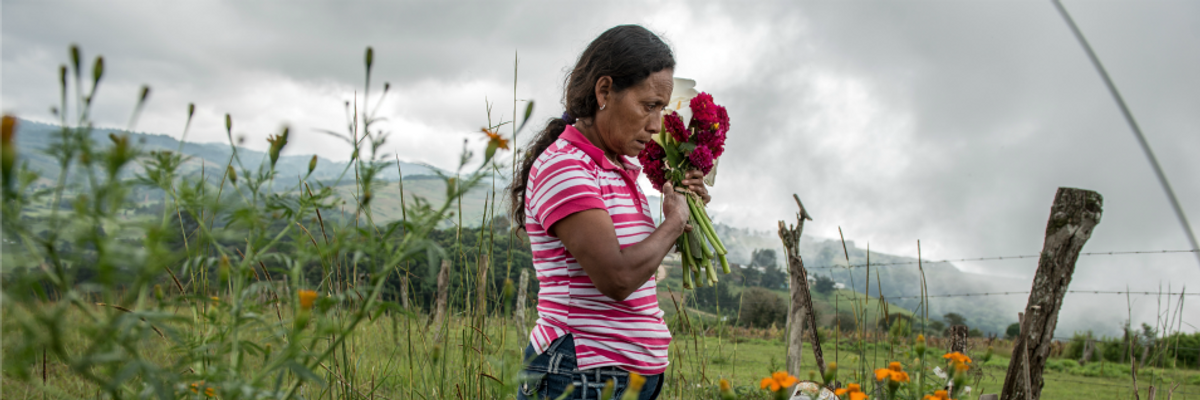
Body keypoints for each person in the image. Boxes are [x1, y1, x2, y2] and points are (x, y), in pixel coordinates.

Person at [508, 25, 709, 400]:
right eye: (648, 106)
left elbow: (642, 256)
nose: (656, 124)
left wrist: (686, 207)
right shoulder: (566, 167)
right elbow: (617, 277)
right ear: (604, 91)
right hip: (580, 371)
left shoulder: (616, 167)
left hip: (620, 375)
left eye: (662, 109)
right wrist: (673, 223)